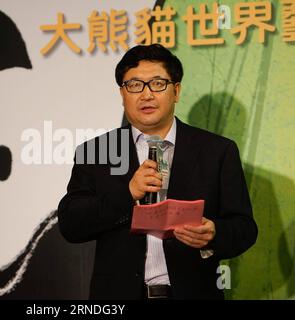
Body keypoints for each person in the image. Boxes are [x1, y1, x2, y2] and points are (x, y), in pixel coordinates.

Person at [57, 44, 258, 300]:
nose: (146, 94)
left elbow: (244, 228)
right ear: (122, 94)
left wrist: (214, 233)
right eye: (135, 85)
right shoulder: (98, 151)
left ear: (176, 90)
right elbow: (71, 224)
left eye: (158, 83)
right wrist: (128, 192)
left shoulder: (217, 151)